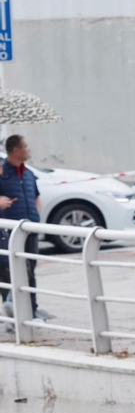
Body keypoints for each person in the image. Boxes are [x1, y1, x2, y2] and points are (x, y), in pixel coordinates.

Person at [0, 135, 45, 324]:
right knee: (6, 269)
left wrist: (36, 216)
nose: (28, 149)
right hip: (8, 231)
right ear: (16, 150)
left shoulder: (28, 173)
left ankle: (31, 311)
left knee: (29, 270)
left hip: (29, 229)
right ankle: (12, 313)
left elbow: (35, 195)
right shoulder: (2, 172)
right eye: (25, 146)